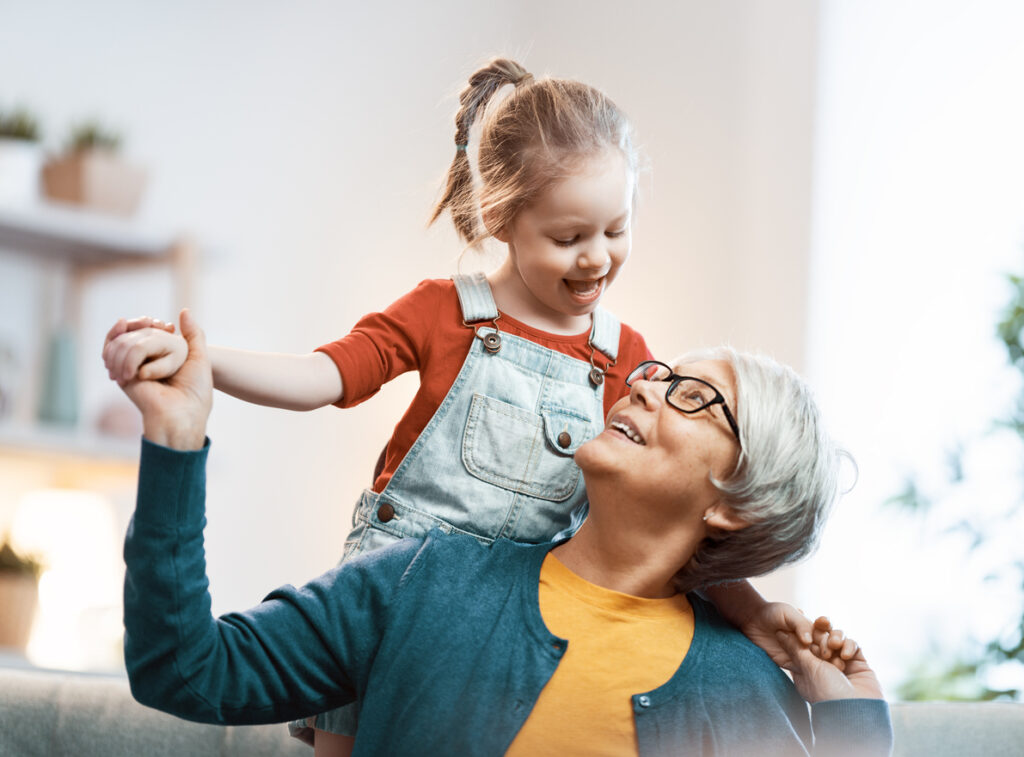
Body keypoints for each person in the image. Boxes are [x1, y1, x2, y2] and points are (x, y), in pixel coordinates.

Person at [102, 58, 814, 753]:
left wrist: (752, 611)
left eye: (615, 230)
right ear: (500, 219)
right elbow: (326, 374)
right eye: (569, 238)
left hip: (523, 623)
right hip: (410, 595)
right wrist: (204, 364)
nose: (596, 259)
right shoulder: (446, 313)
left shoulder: (623, 354)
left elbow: (683, 519)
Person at [118, 310, 893, 757]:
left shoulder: (744, 688)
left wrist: (859, 727)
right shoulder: (421, 578)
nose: (646, 383)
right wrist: (176, 442)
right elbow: (184, 669)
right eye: (657, 371)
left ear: (735, 501)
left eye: (693, 395)